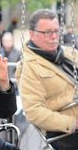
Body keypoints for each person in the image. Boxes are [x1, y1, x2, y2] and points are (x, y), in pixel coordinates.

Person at [15, 9, 78, 149]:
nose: (54, 36)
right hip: (65, 133)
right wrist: (73, 123)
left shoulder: (69, 53)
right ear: (32, 34)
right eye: (47, 32)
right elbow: (34, 111)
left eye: (56, 31)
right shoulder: (28, 66)